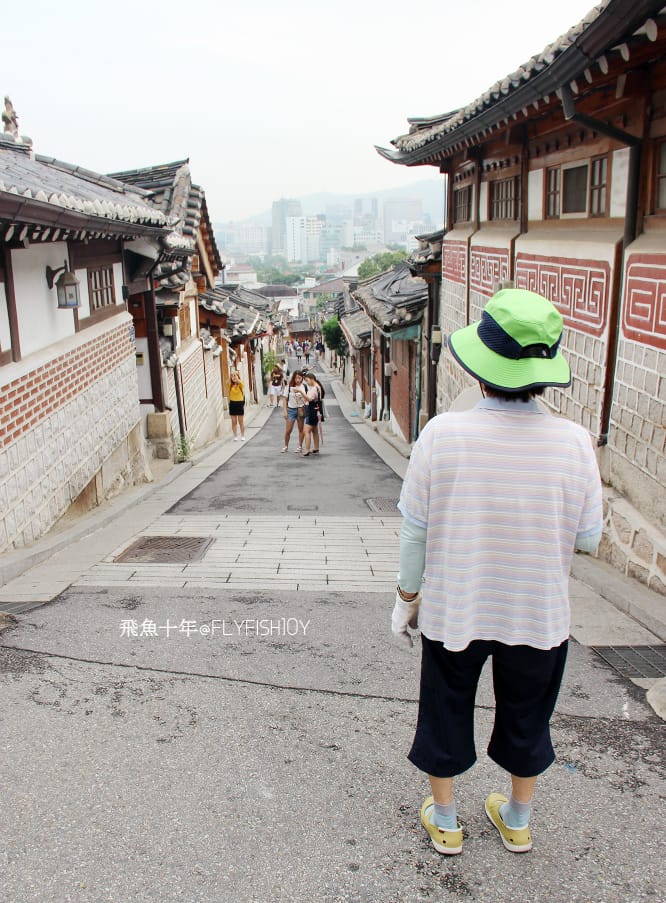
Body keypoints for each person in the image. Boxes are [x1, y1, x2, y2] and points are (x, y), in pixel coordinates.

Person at [392, 288, 603, 857]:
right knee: (528, 716)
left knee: (445, 709)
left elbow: (415, 532)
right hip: (537, 612)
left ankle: (446, 820)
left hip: (456, 607)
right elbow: (588, 538)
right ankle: (517, 819)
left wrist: (406, 599)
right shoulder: (576, 443)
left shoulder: (442, 434)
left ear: (481, 371)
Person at [281, 371, 307, 453]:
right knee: (288, 430)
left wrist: (301, 394)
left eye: (299, 378)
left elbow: (307, 399)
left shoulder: (304, 387)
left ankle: (300, 446)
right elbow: (284, 399)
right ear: (293, 378)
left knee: (301, 429)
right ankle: (286, 446)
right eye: (296, 378)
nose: (297, 380)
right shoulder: (289, 386)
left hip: (301, 409)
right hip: (291, 410)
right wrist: (284, 411)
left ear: (302, 378)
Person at [301, 371, 323, 456]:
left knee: (306, 431)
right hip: (315, 410)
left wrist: (301, 392)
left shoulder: (314, 389)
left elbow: (309, 399)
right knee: (314, 430)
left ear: (312, 379)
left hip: (311, 410)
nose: (307, 382)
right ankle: (316, 448)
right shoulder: (318, 387)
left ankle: (307, 449)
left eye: (307, 380)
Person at [227, 371, 246, 441]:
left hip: (239, 404)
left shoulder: (240, 384)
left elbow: (242, 384)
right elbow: (227, 381)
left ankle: (242, 435)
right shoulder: (230, 385)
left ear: (238, 376)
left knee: (241, 421)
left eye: (235, 375)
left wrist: (237, 378)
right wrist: (231, 376)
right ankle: (235, 436)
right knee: (234, 422)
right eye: (232, 376)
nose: (234, 377)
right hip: (232, 404)